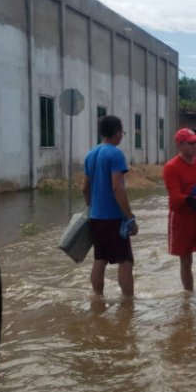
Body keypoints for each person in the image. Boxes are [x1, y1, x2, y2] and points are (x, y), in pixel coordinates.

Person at [83, 115, 138, 298]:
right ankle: (128, 302)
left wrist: (92, 208)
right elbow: (117, 187)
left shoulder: (90, 154)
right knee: (125, 261)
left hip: (96, 218)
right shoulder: (115, 154)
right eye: (122, 132)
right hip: (114, 218)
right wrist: (129, 217)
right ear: (116, 133)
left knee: (100, 259)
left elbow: (85, 188)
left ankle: (98, 298)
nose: (122, 135)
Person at [163, 128, 196, 291]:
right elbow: (175, 197)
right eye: (191, 143)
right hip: (182, 217)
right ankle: (188, 297)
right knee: (186, 262)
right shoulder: (171, 167)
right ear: (180, 146)